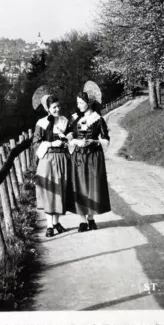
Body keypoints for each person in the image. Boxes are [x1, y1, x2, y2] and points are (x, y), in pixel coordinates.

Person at [67, 91, 112, 232]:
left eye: (81, 102)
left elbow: (106, 139)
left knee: (92, 186)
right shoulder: (74, 119)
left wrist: (94, 141)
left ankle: (91, 219)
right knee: (79, 186)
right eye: (77, 102)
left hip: (93, 156)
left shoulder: (98, 119)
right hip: (78, 156)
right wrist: (75, 141)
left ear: (89, 103)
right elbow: (68, 136)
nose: (78, 105)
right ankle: (82, 221)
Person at [33, 95, 71, 237]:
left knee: (60, 190)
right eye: (54, 107)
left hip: (62, 159)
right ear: (47, 108)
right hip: (47, 160)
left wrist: (65, 140)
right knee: (49, 191)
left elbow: (71, 140)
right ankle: (49, 225)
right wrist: (50, 144)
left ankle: (56, 222)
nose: (57, 109)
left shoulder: (64, 121)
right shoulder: (41, 123)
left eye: (58, 106)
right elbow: (36, 144)